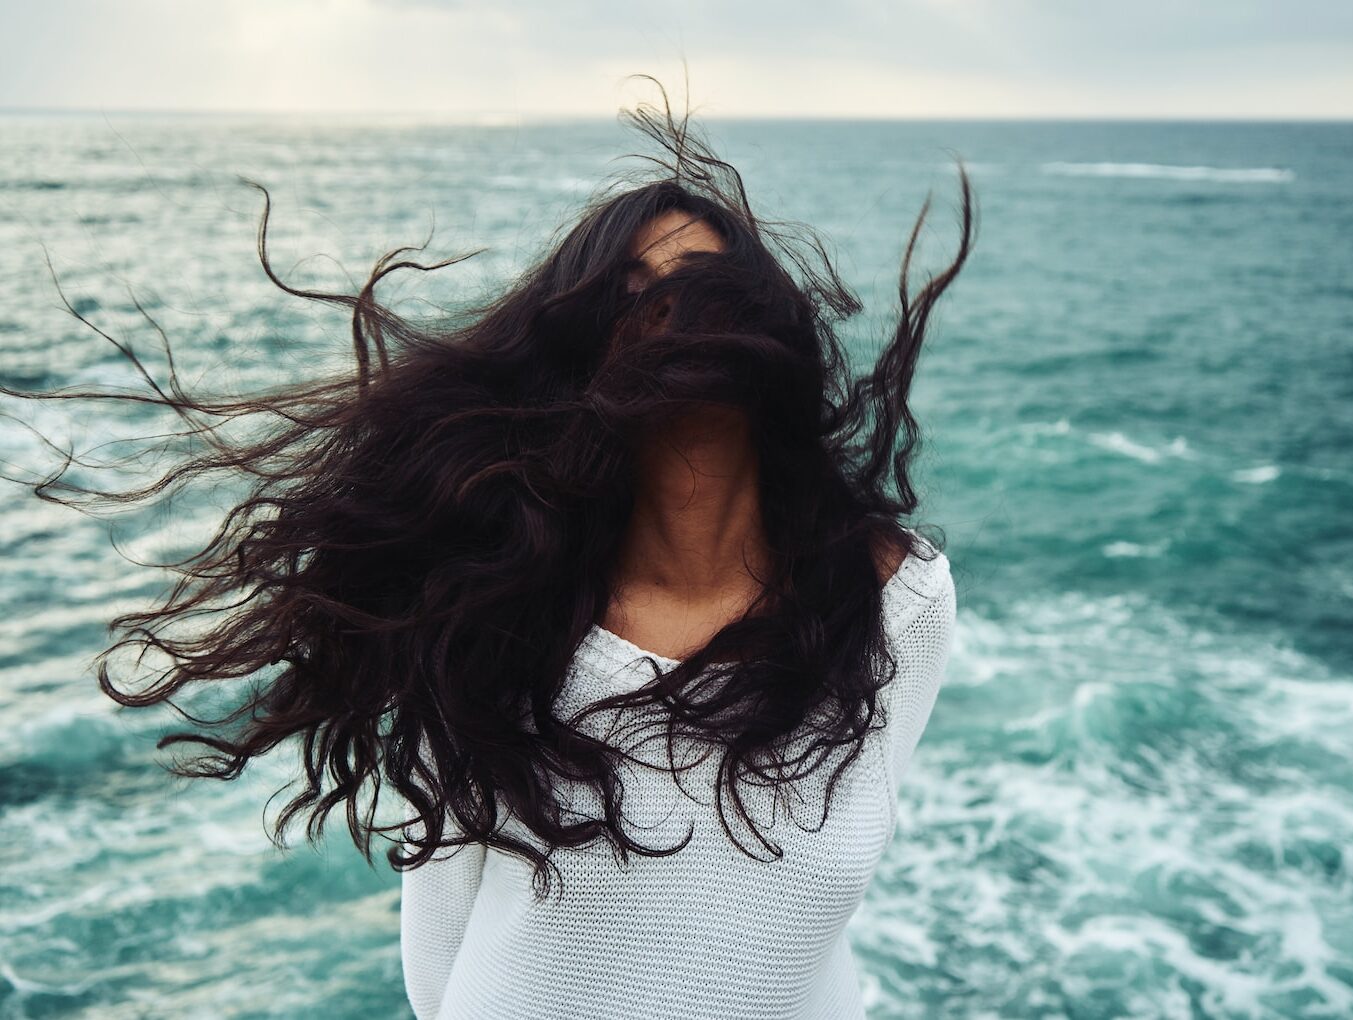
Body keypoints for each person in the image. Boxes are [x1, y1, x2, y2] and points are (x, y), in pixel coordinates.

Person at [0, 80, 973, 1018]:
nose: (671, 312)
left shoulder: (898, 603)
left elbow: (799, 907)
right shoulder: (501, 608)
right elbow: (441, 939)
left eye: (704, 284)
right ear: (580, 350)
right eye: (632, 294)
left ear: (770, 319)